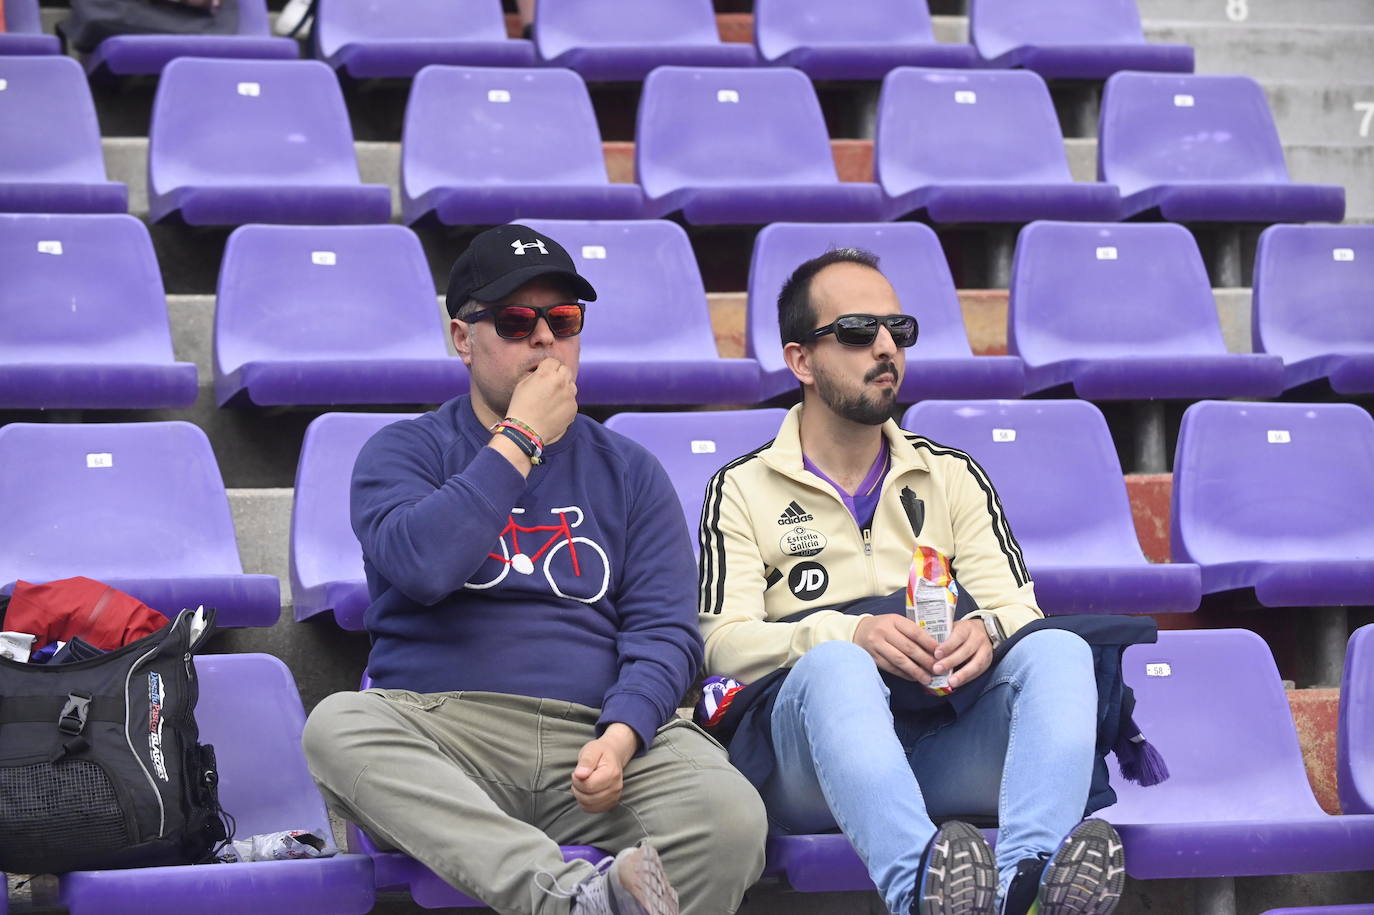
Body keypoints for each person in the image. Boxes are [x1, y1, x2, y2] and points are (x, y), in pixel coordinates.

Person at [303, 225, 768, 915]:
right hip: (449, 737)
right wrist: (519, 438)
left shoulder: (630, 470)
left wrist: (622, 734)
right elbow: (424, 564)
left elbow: (666, 631)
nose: (545, 339)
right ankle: (572, 899)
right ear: (463, 338)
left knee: (730, 816)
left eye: (564, 319)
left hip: (597, 737)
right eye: (518, 321)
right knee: (335, 727)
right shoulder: (403, 450)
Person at [696, 248, 1126, 915]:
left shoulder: (952, 474)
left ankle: (1025, 888)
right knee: (838, 664)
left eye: (898, 330)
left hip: (942, 738)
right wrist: (851, 632)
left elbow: (1018, 607)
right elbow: (722, 641)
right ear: (801, 360)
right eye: (858, 330)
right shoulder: (741, 488)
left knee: (1061, 649)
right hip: (809, 761)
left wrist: (986, 630)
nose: (885, 346)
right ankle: (919, 896)